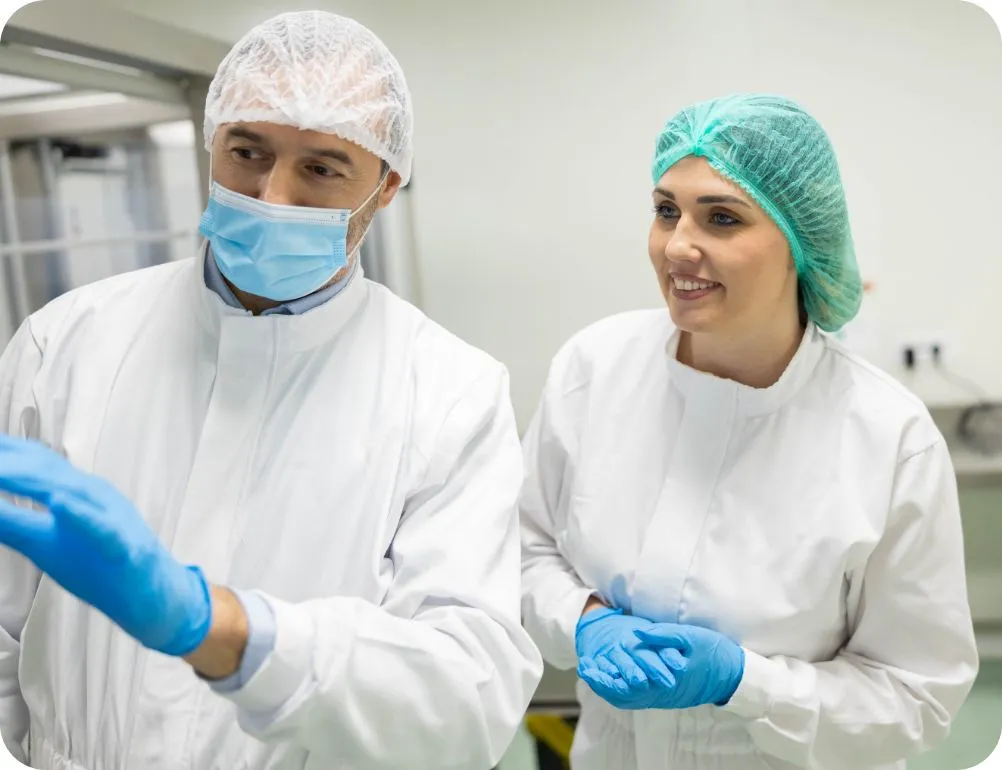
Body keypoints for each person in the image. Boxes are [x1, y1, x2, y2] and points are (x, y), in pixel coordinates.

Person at [0, 11, 542, 770]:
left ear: (386, 187)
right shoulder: (65, 342)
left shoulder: (451, 393)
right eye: (247, 152)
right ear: (211, 142)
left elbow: (463, 702)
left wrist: (227, 632)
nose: (272, 196)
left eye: (321, 168)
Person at [519, 93, 978, 770]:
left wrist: (747, 684)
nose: (678, 245)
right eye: (666, 210)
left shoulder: (889, 438)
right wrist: (583, 619)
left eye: (722, 218)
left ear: (802, 243)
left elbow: (916, 698)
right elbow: (522, 549)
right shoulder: (594, 370)